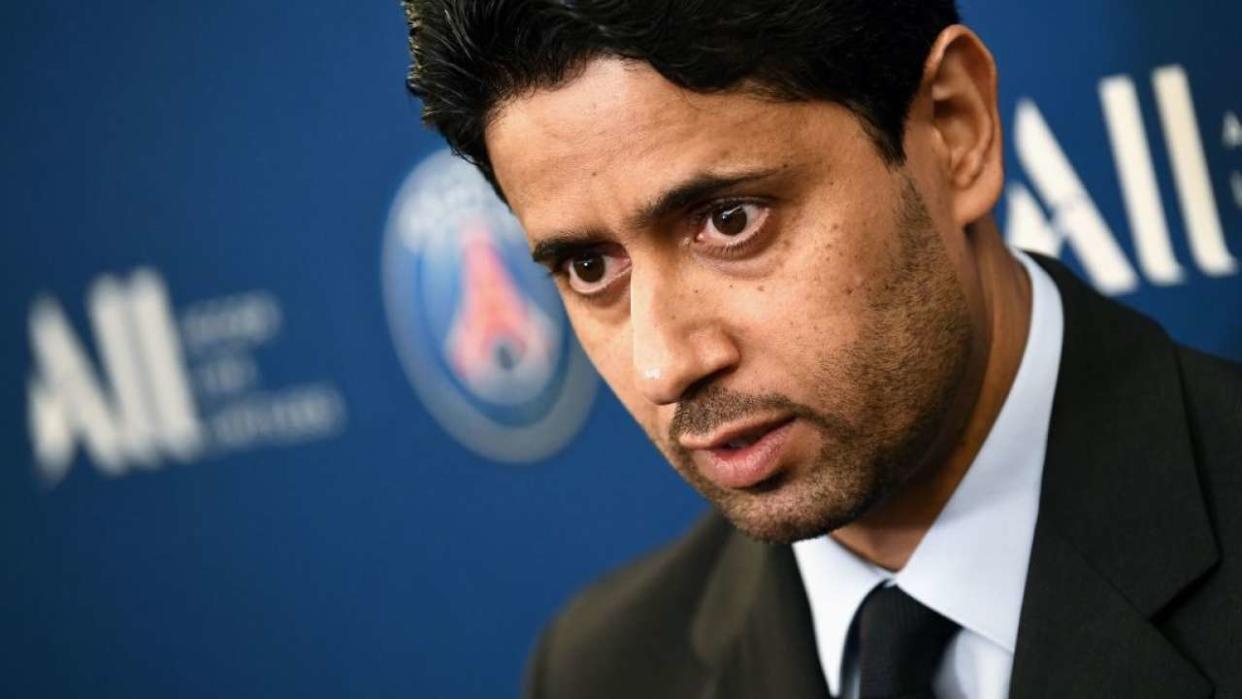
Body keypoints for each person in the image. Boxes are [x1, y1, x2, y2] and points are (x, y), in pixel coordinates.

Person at [399, 2, 1242, 697]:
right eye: (589, 267)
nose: (665, 364)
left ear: (956, 127)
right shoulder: (598, 670)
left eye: (731, 220)